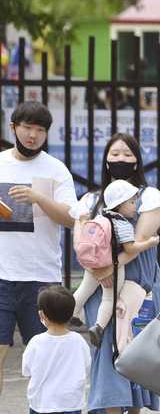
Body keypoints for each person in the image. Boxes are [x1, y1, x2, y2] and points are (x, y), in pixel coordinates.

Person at [72, 132, 160, 414]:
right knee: (106, 345)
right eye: (114, 154)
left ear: (138, 161)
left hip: (138, 279)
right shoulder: (89, 200)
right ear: (105, 160)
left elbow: (137, 243)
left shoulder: (150, 197)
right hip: (102, 278)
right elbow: (79, 240)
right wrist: (99, 263)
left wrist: (104, 261)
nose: (120, 160)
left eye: (127, 154)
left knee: (137, 344)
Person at [0, 101, 77, 396]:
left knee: (45, 357)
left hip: (40, 277)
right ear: (13, 128)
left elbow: (71, 218)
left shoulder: (55, 170)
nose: (32, 135)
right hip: (2, 275)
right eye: (27, 127)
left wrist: (38, 198)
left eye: (40, 130)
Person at [71, 180, 160, 346]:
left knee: (83, 291)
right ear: (120, 204)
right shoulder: (122, 224)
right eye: (132, 202)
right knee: (108, 299)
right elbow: (130, 249)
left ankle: (72, 313)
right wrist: (149, 243)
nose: (136, 206)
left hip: (93, 264)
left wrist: (83, 221)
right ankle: (98, 327)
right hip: (112, 266)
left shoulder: (100, 217)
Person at [22, 286, 91, 414]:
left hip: (42, 398)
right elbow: (87, 365)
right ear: (70, 314)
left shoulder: (35, 342)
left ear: (41, 315)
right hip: (70, 396)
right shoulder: (78, 340)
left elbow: (26, 369)